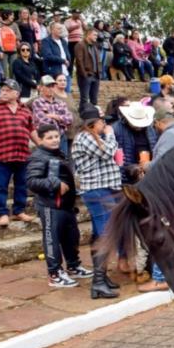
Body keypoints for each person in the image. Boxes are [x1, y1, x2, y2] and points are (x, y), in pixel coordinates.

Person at [135, 106, 174, 292]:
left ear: (160, 122)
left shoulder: (170, 135)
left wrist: (146, 165)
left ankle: (162, 278)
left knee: (163, 232)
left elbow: (162, 163)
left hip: (171, 190)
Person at [27, 123, 93, 287]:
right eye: (49, 138)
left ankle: (73, 265)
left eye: (56, 136)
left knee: (71, 237)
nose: (55, 140)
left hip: (66, 205)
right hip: (50, 205)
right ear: (40, 140)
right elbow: (31, 181)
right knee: (52, 240)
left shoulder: (59, 154)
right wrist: (55, 184)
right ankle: (55, 273)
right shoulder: (38, 156)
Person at [72, 104, 121, 299]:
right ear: (93, 123)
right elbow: (108, 152)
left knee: (100, 232)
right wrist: (111, 135)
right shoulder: (85, 138)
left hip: (103, 189)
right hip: (96, 190)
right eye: (102, 121)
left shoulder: (93, 137)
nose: (105, 124)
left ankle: (102, 277)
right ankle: (98, 282)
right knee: (105, 234)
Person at [0, 79, 39, 227]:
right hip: (3, 154)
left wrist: (41, 145)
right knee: (1, 186)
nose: (3, 92)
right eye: (2, 90)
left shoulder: (25, 110)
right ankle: (2, 213)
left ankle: (19, 211)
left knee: (21, 184)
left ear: (16, 93)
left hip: (22, 154)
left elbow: (31, 129)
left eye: (7, 90)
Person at [32, 75, 73, 155]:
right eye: (47, 86)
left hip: (62, 137)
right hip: (47, 138)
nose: (50, 88)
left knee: (63, 162)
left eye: (52, 86)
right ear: (41, 88)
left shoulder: (60, 102)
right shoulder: (37, 102)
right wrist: (61, 121)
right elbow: (43, 122)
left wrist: (54, 116)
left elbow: (69, 119)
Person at [74, 28, 101, 112]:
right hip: (86, 75)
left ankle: (93, 117)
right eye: (94, 35)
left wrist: (99, 73)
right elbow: (79, 61)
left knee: (94, 99)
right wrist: (84, 74)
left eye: (96, 35)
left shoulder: (95, 46)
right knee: (84, 99)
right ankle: (82, 116)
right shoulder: (80, 45)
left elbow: (98, 61)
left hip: (95, 76)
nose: (96, 37)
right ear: (88, 34)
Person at [40, 22, 71, 93]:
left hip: (65, 73)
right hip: (53, 73)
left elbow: (68, 55)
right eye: (58, 28)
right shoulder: (46, 41)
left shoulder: (64, 41)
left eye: (61, 28)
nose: (61, 30)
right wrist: (63, 61)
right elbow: (48, 56)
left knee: (67, 96)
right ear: (52, 30)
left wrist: (68, 61)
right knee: (55, 96)